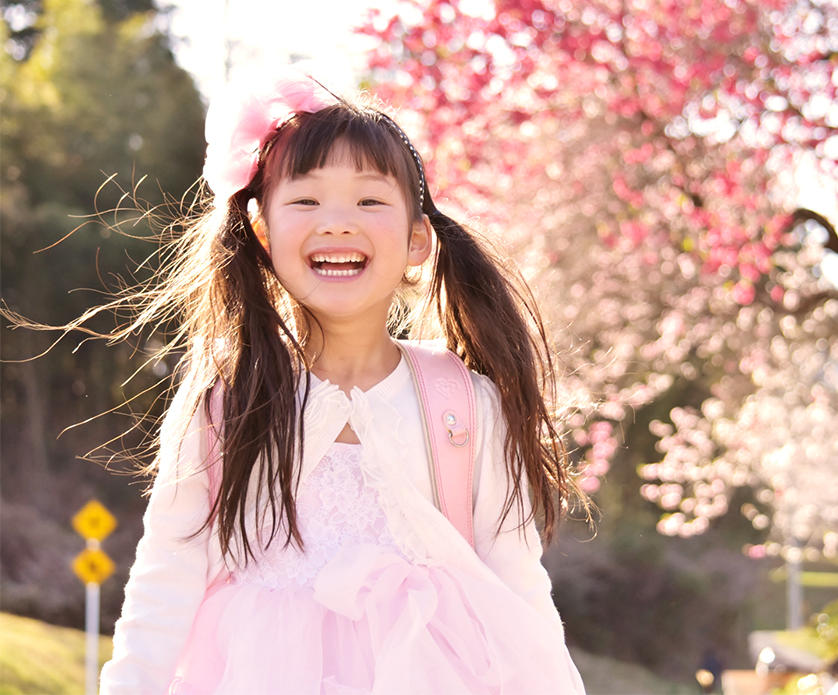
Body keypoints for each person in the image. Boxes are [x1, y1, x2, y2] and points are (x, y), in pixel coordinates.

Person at [97, 67, 588, 694]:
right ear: (262, 231)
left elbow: (516, 584)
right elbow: (169, 569)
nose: (336, 221)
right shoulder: (226, 397)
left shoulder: (462, 403)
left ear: (416, 240)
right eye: (305, 199)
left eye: (368, 200)